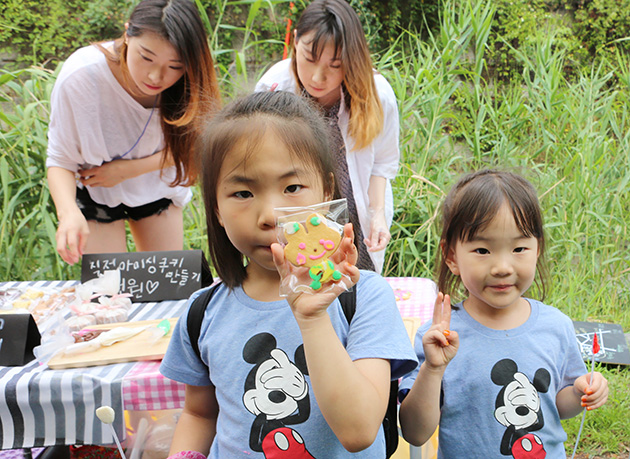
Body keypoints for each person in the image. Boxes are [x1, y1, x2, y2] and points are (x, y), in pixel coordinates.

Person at [160, 91, 417, 458]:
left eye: (292, 187)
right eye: (243, 192)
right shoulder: (203, 312)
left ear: (327, 191)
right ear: (215, 208)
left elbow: (359, 430)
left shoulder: (362, 297)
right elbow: (200, 413)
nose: (270, 214)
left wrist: (311, 319)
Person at [398, 170, 609, 458]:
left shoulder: (555, 327)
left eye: (519, 248)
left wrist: (578, 393)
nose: (502, 266)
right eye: (483, 250)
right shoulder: (438, 339)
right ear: (451, 257)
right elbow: (415, 432)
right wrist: (433, 369)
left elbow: (555, 407)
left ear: (537, 250)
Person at [46, 0, 220, 265]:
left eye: (174, 66)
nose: (155, 76)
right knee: (107, 291)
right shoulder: (81, 76)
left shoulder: (191, 84)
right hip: (95, 190)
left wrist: (128, 170)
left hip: (156, 183)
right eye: (146, 57)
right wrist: (68, 213)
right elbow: (60, 159)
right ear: (127, 33)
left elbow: (194, 146)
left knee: (165, 288)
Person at [255, 0, 400, 273]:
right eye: (309, 59)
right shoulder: (273, 88)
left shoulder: (376, 95)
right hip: (295, 210)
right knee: (299, 283)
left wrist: (378, 215)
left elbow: (382, 164)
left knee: (354, 282)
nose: (318, 77)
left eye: (335, 65)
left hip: (355, 211)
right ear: (296, 41)